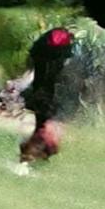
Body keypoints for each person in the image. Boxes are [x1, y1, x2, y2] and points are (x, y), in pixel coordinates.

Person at [16, 25, 80, 166]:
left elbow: (34, 59)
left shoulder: (45, 48)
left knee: (43, 127)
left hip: (45, 94)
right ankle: (28, 157)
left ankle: (28, 157)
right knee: (45, 130)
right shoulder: (67, 59)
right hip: (50, 96)